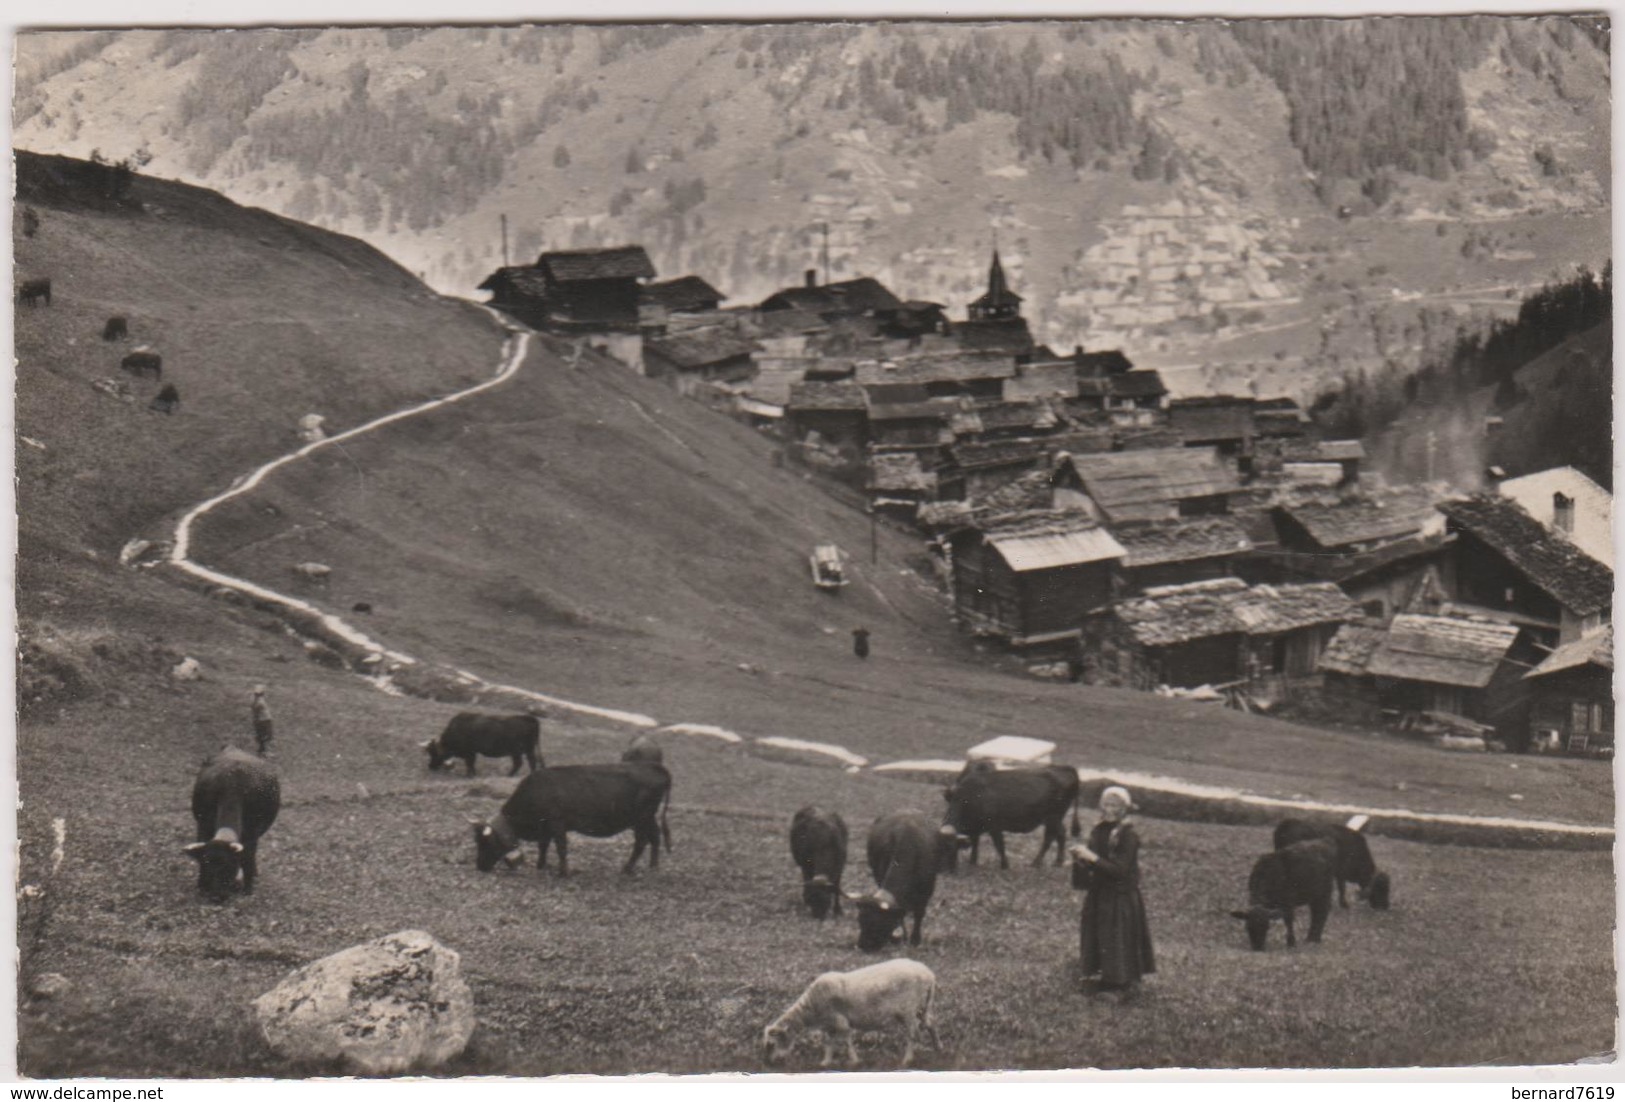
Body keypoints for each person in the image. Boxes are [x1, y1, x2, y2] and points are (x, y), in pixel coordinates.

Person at [1071, 785, 1155, 1000]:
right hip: (1100, 893)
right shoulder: (1100, 830)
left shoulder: (1128, 835)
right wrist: (1082, 860)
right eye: (1106, 804)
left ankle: (1122, 985)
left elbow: (1120, 870)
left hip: (1119, 895)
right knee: (1097, 935)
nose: (1109, 809)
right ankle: (1101, 978)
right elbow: (1097, 864)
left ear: (1124, 809)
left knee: (1116, 938)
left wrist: (1092, 858)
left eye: (1115, 805)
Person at [250, 685, 274, 755]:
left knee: (262, 736)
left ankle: (262, 750)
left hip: (261, 720)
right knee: (266, 736)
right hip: (264, 720)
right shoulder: (259, 702)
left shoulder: (255, 700)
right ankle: (265, 751)